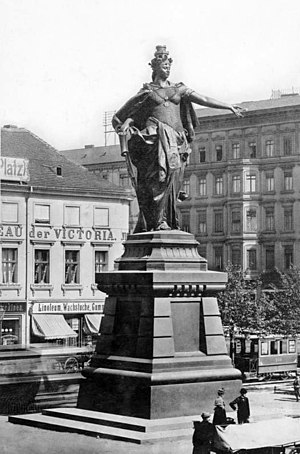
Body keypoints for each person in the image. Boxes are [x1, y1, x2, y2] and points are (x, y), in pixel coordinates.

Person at [112, 45, 245, 233]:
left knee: (172, 182)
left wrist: (228, 106)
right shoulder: (147, 92)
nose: (167, 69)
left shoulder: (179, 89)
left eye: (168, 66)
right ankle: (158, 222)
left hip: (177, 141)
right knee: (160, 178)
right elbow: (128, 114)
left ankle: (167, 220)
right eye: (164, 65)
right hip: (156, 141)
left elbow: (204, 98)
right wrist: (125, 125)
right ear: (155, 67)